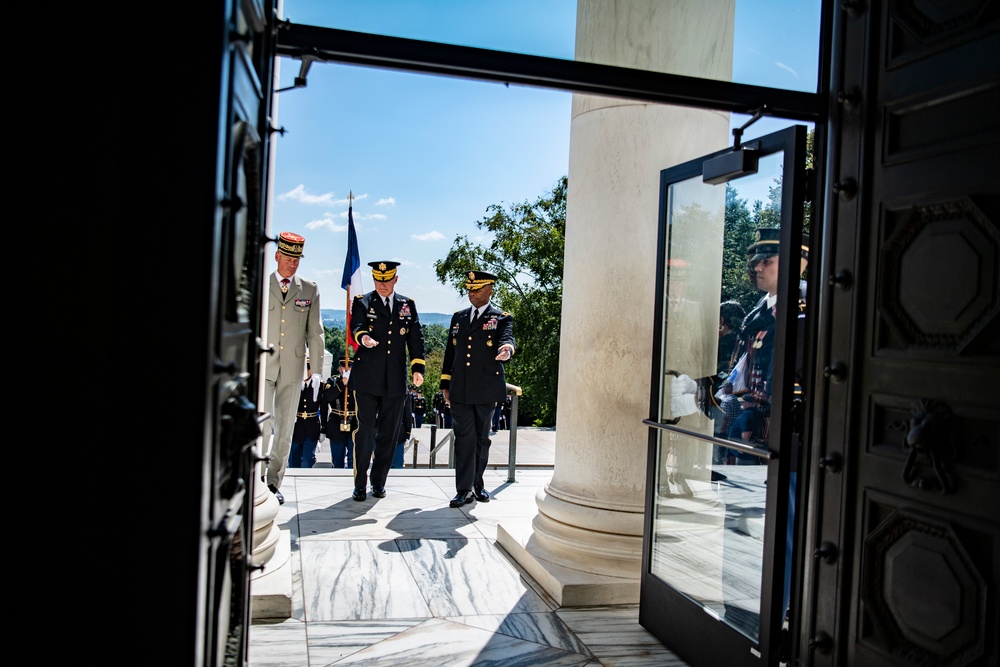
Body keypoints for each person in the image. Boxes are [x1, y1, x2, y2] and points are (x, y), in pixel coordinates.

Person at [348, 260, 426, 501]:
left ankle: (379, 482)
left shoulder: (407, 305)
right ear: (374, 280)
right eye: (378, 280)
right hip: (367, 379)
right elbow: (357, 326)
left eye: (387, 280)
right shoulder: (362, 301)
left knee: (388, 434)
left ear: (395, 279)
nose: (382, 285)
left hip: (394, 380)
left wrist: (418, 367)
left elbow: (416, 338)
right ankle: (360, 483)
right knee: (366, 432)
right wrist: (364, 339)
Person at [440, 270, 516, 508]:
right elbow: (450, 353)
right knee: (464, 438)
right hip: (460, 388)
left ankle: (478, 484)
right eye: (470, 289)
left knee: (481, 439)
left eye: (478, 289)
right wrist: (445, 384)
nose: (472, 293)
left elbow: (508, 339)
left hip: (486, 388)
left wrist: (507, 350)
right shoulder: (459, 317)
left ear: (490, 290)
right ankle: (463, 490)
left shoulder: (501, 317)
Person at [261, 231, 324, 504]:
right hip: (263, 365)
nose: (293, 264)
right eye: (288, 257)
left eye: (297, 259)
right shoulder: (262, 285)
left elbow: (316, 332)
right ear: (277, 256)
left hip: (293, 368)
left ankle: (273, 482)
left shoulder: (309, 289)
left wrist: (318, 370)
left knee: (285, 428)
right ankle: (255, 477)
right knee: (261, 425)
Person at [288, 357, 328, 468]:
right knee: (293, 459)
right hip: (297, 426)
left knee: (307, 459)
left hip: (312, 426)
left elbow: (324, 409)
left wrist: (323, 429)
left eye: (309, 368)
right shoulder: (294, 384)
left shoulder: (318, 385)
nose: (306, 371)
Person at [323, 358, 357, 469]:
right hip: (336, 424)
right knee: (337, 460)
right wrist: (342, 384)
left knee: (354, 459)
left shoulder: (358, 382)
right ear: (339, 368)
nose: (347, 369)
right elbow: (328, 397)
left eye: (350, 367)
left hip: (354, 424)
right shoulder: (333, 382)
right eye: (344, 367)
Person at [392, 390, 414, 469]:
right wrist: (407, 434)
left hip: (381, 433)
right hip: (398, 432)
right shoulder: (404, 391)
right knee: (397, 467)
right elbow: (407, 414)